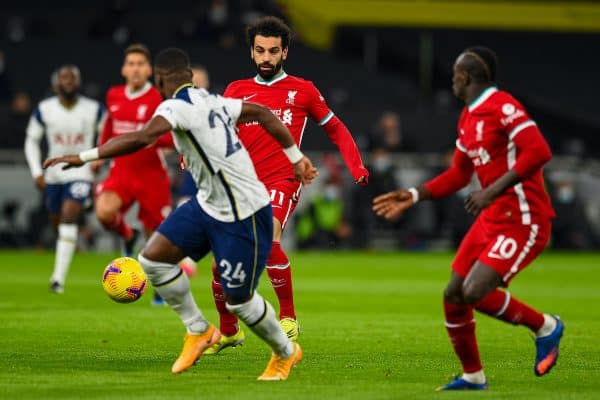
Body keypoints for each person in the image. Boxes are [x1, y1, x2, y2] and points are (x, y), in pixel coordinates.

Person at [44, 47, 317, 380]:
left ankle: (286, 353)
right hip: (209, 204)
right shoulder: (212, 101)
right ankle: (199, 329)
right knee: (154, 259)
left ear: (159, 80)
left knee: (239, 301)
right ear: (189, 76)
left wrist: (83, 156)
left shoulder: (175, 106)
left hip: (243, 210)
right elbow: (264, 114)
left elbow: (143, 137)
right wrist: (295, 157)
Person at [372, 46, 564, 390]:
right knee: (454, 294)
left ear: (464, 77)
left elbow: (539, 151)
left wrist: (492, 190)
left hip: (523, 218)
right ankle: (474, 377)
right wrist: (415, 195)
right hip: (492, 217)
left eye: (453, 77)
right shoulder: (468, 117)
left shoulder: (503, 106)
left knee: (474, 291)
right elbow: (460, 174)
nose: (452, 82)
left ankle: (546, 326)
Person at [206, 15, 369, 353]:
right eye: (260, 51)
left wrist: (355, 166)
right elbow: (216, 133)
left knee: (269, 238)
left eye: (273, 51)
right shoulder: (237, 90)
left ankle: (289, 316)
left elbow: (335, 128)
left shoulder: (303, 90)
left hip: (282, 178)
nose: (266, 57)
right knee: (220, 262)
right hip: (241, 183)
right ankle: (229, 330)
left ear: (285, 53)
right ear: (251, 53)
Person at [94, 44, 173, 305]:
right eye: (131, 63)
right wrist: (100, 153)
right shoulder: (114, 95)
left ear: (149, 70)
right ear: (124, 69)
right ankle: (128, 236)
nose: (136, 68)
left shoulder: (159, 98)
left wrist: (153, 141)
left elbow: (171, 137)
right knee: (104, 212)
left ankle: (159, 287)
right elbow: (109, 126)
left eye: (141, 63)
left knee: (156, 238)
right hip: (122, 170)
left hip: (151, 173)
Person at [24, 65, 104, 293]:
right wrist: (36, 172)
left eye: (72, 78)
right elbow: (31, 140)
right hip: (54, 175)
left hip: (81, 171)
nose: (68, 82)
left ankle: (57, 279)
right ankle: (82, 217)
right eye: (64, 78)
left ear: (78, 83)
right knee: (58, 222)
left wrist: (100, 157)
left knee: (68, 215)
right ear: (56, 84)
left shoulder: (93, 108)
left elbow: (107, 131)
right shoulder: (44, 109)